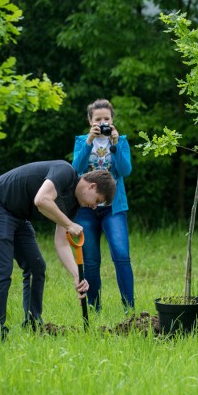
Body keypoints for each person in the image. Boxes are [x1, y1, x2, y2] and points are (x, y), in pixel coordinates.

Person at [0, 160, 116, 339]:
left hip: (18, 216)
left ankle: (33, 325)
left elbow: (61, 243)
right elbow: (41, 200)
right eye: (97, 201)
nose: (95, 207)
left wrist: (77, 275)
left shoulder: (73, 206)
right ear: (92, 186)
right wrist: (69, 224)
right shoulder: (65, 172)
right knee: (1, 271)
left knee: (36, 268)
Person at [72, 99, 134, 313]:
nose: (103, 123)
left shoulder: (121, 141)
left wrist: (115, 146)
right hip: (86, 209)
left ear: (112, 120)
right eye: (98, 119)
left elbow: (125, 171)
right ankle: (94, 307)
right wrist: (89, 142)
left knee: (121, 254)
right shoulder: (81, 141)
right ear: (90, 121)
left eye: (106, 119)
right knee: (90, 260)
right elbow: (76, 169)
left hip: (113, 208)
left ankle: (129, 307)